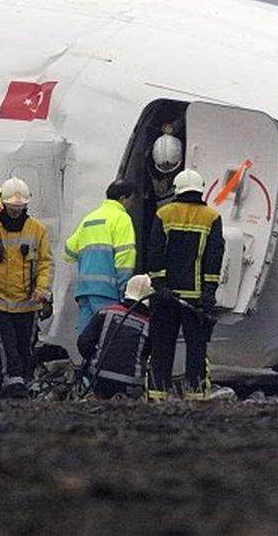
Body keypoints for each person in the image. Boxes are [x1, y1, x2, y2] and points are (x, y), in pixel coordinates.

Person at [147, 169, 224, 399]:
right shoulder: (212, 217)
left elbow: (155, 251)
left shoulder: (164, 214)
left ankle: (157, 396)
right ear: (200, 189)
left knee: (161, 348)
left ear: (177, 189)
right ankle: (195, 397)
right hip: (196, 300)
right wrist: (209, 291)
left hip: (166, 297)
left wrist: (159, 283)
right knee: (196, 351)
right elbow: (214, 257)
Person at [0, 177, 51, 398]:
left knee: (25, 347)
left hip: (28, 303)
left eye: (19, 208)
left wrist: (42, 290)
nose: (15, 212)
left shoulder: (37, 229)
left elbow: (45, 263)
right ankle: (13, 385)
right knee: (6, 347)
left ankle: (25, 382)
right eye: (12, 208)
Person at [64, 179, 137, 333]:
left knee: (86, 339)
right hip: (107, 291)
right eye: (131, 199)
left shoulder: (89, 219)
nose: (133, 204)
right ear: (122, 198)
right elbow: (125, 257)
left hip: (85, 290)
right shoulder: (122, 218)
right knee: (107, 338)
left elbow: (69, 252)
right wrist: (125, 290)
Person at [78, 274, 155, 399]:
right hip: (131, 383)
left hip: (99, 378)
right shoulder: (150, 323)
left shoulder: (106, 312)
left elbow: (84, 342)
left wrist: (95, 359)